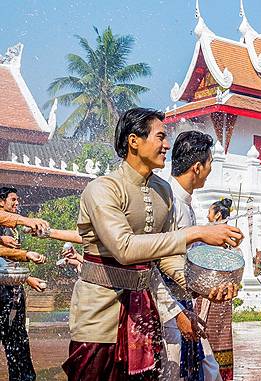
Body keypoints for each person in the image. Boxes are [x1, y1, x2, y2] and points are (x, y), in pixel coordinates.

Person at [62, 108, 243, 381]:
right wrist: (195, 233)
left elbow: (169, 259)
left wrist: (205, 287)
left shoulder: (163, 190)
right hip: (99, 316)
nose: (167, 145)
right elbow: (124, 249)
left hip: (145, 316)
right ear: (134, 141)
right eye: (160, 137)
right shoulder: (102, 189)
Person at [159, 130, 232, 381]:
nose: (212, 168)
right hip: (168, 306)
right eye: (211, 162)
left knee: (203, 370)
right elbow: (157, 262)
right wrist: (176, 313)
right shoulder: (169, 201)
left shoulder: (185, 201)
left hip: (184, 302)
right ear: (198, 167)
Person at [0, 187, 47, 381]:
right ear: (1, 201)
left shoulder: (11, 227)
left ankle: (23, 377)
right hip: (1, 291)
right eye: (13, 200)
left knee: (17, 336)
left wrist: (27, 278)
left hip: (14, 289)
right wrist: (26, 220)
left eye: (18, 200)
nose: (17, 203)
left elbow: (7, 265)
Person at [203, 198, 235, 381]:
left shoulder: (214, 236)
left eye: (210, 212)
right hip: (215, 295)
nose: (208, 215)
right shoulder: (227, 235)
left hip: (213, 293)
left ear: (218, 215)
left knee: (214, 335)